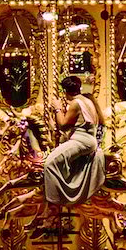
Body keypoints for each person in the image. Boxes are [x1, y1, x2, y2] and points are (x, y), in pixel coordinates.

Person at [41, 74, 107, 208]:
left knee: (49, 163)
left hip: (81, 140)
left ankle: (56, 201)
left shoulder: (76, 103)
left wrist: (57, 108)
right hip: (87, 139)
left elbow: (63, 125)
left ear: (65, 91)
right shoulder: (87, 100)